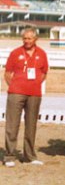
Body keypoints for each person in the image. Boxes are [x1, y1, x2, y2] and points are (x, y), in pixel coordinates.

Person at [3, 27, 48, 167]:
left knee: (31, 126)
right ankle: (9, 156)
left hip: (34, 94)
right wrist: (16, 86)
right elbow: (7, 73)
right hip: (16, 93)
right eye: (24, 38)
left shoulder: (42, 53)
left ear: (35, 39)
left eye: (29, 38)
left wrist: (34, 84)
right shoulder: (15, 53)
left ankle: (29, 156)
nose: (27, 41)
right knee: (12, 125)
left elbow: (44, 72)